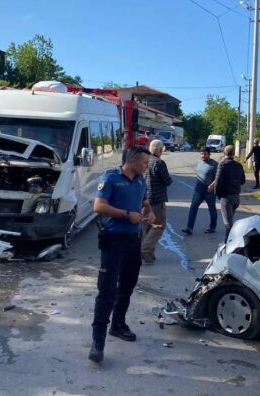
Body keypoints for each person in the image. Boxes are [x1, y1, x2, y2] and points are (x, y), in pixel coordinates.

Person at [89, 146, 155, 363]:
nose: (146, 166)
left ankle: (118, 325)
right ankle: (97, 342)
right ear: (134, 160)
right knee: (106, 291)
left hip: (133, 243)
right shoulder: (110, 178)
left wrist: (149, 212)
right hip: (113, 241)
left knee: (127, 287)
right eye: (144, 162)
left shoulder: (140, 181)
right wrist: (127, 215)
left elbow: (144, 203)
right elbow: (98, 206)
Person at [141, 139, 172, 264]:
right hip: (156, 199)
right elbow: (167, 181)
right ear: (159, 150)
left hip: (145, 198)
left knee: (146, 227)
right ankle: (145, 249)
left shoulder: (145, 160)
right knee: (159, 226)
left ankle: (149, 256)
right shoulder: (159, 163)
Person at [210, 145, 245, 242]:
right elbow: (242, 181)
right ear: (234, 154)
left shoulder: (222, 164)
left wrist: (218, 195)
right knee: (230, 221)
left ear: (224, 153)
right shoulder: (239, 165)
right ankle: (228, 241)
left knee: (228, 224)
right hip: (236, 197)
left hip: (226, 197)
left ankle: (229, 242)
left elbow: (217, 181)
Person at [181, 147, 218, 235]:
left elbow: (218, 177)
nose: (203, 156)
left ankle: (212, 227)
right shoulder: (199, 162)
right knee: (193, 207)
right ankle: (189, 228)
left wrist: (212, 185)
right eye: (201, 153)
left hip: (209, 191)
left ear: (209, 154)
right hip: (198, 190)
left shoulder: (214, 164)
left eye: (205, 154)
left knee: (212, 209)